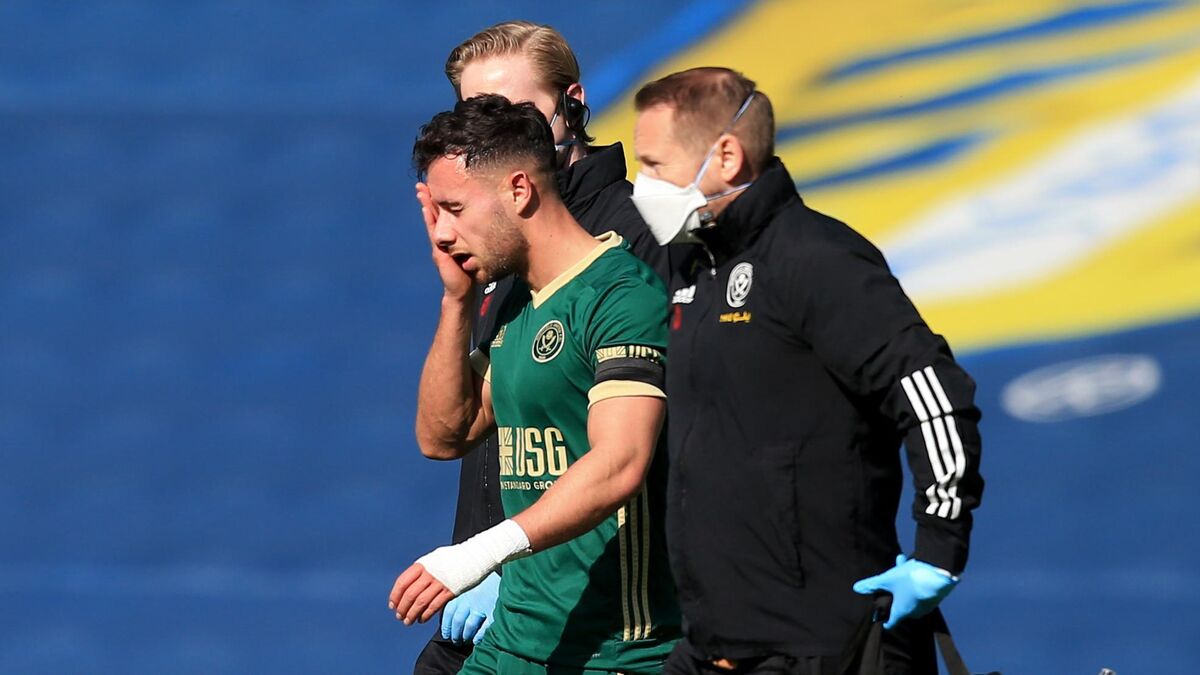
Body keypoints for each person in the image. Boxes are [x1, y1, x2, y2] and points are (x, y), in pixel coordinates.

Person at [628, 67, 984, 675]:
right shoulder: (693, 267)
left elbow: (933, 393)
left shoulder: (816, 258)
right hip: (711, 644)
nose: (644, 186)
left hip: (821, 647)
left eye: (655, 165)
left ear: (727, 157)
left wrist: (938, 552)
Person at [412, 21, 672, 674]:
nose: (495, 130)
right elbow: (450, 434)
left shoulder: (637, 246)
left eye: (514, 111)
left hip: (593, 616)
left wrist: (496, 559)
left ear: (571, 106)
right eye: (478, 113)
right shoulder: (499, 246)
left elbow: (637, 447)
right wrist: (457, 299)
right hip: (499, 597)